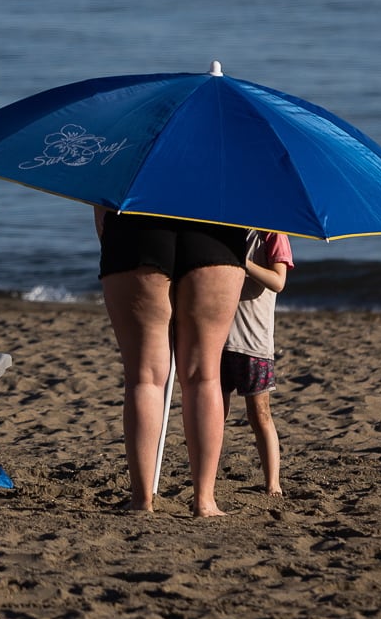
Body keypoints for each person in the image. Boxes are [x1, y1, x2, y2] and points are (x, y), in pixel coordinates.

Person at [96, 209, 247, 516]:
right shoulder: (230, 157)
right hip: (217, 229)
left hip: (135, 229)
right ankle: (204, 501)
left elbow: (101, 201)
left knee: (144, 378)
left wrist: (113, 235)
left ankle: (142, 500)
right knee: (205, 377)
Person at [223, 229, 294, 497]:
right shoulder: (222, 228)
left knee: (260, 413)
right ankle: (206, 478)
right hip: (217, 337)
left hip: (254, 341)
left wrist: (244, 263)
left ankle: (272, 482)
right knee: (216, 413)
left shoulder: (272, 233)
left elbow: (278, 281)